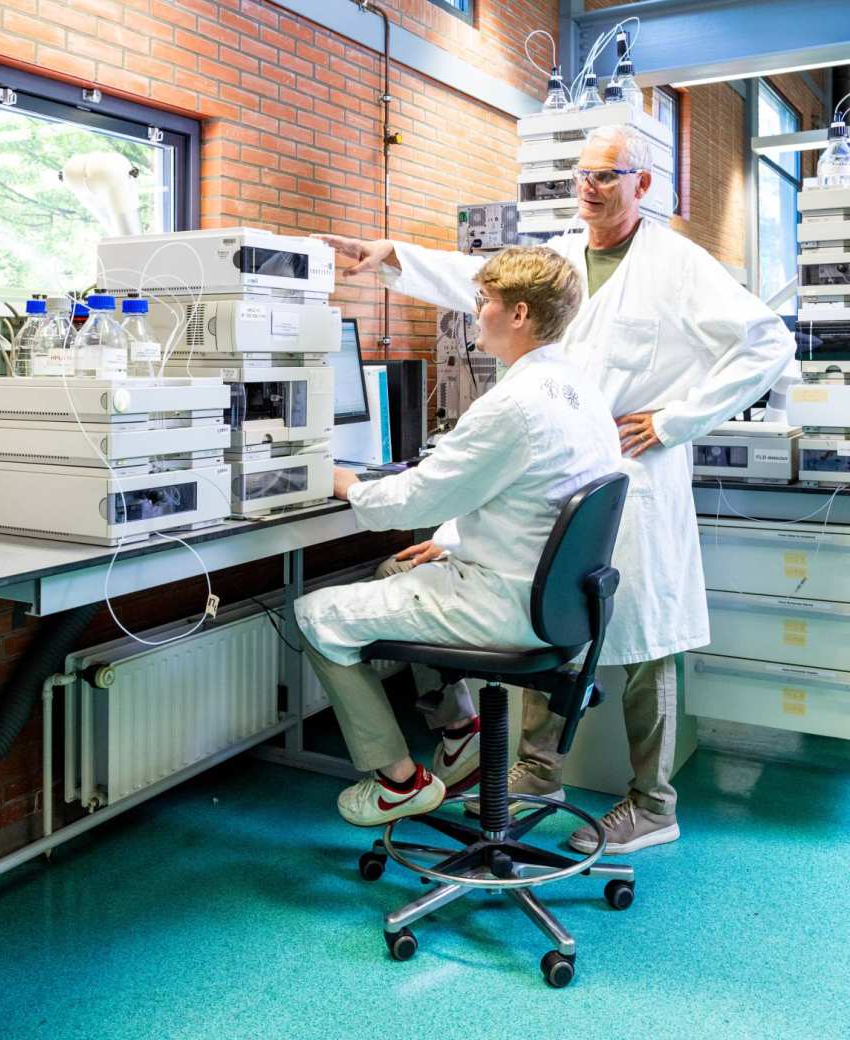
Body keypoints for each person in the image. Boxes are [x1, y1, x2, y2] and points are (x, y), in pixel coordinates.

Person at [318, 123, 798, 853]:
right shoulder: (562, 259)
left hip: (636, 467)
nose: (589, 187)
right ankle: (537, 772)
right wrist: (394, 260)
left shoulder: (677, 264)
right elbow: (488, 282)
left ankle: (652, 802)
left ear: (644, 184)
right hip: (562, 461)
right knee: (552, 611)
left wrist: (675, 420)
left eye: (607, 175)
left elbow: (768, 341)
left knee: (644, 644)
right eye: (581, 174)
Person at [294, 246, 622, 827]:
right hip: (560, 601)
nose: (476, 312)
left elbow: (416, 497)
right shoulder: (577, 390)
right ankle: (459, 733)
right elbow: (530, 496)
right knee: (394, 569)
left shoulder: (513, 406)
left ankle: (397, 782)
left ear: (518, 314)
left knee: (316, 614)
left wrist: (343, 483)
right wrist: (448, 539)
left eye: (484, 302)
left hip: (506, 604)